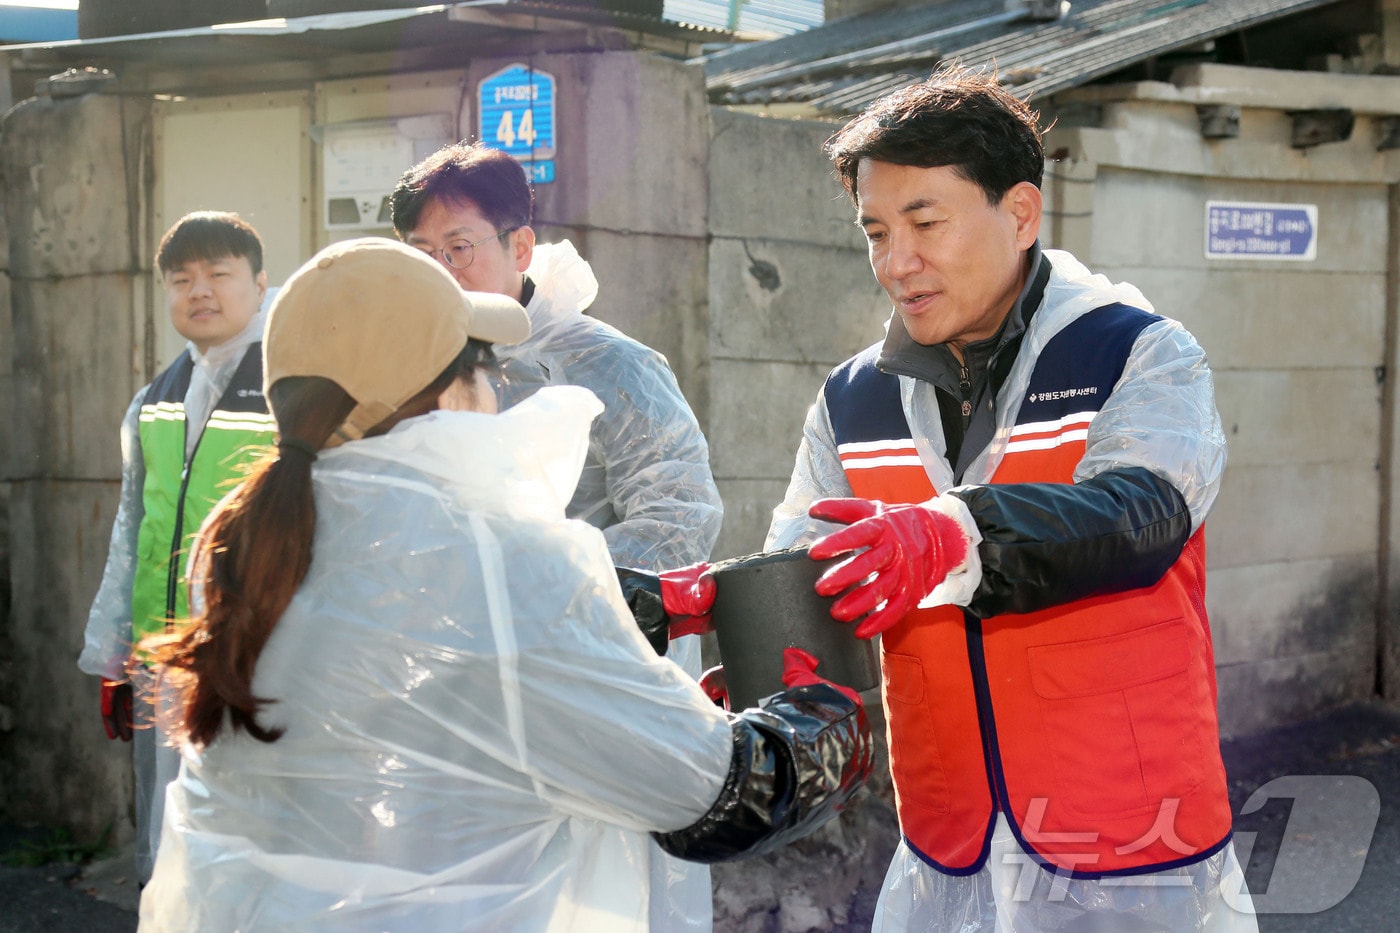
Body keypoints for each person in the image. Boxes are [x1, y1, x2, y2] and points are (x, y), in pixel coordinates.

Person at [135, 237, 873, 932]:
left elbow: (415, 673)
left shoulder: (249, 539)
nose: (497, 387)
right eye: (485, 365)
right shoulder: (501, 557)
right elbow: (722, 796)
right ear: (447, 395)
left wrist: (619, 624)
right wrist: (822, 715)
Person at [690, 65, 1257, 930]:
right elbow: (812, 564)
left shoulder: (1137, 354)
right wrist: (748, 632)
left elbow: (1142, 516)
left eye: (925, 223)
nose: (896, 262)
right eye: (876, 231)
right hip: (948, 844)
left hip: (1134, 849)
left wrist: (953, 536)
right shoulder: (852, 399)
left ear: (1021, 213)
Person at [388, 143, 724, 928]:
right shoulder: (411, 373)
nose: (440, 272)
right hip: (465, 697)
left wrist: (539, 596)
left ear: (520, 246)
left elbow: (680, 517)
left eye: (458, 248)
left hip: (598, 681)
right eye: (420, 255)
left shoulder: (609, 365)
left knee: (605, 896)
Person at [79, 210, 276, 883]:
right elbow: (132, 530)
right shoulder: (155, 399)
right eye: (182, 279)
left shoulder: (291, 388)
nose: (200, 291)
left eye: (219, 273)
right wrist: (114, 652)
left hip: (255, 662)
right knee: (171, 849)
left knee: (245, 849)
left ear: (259, 282)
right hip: (163, 660)